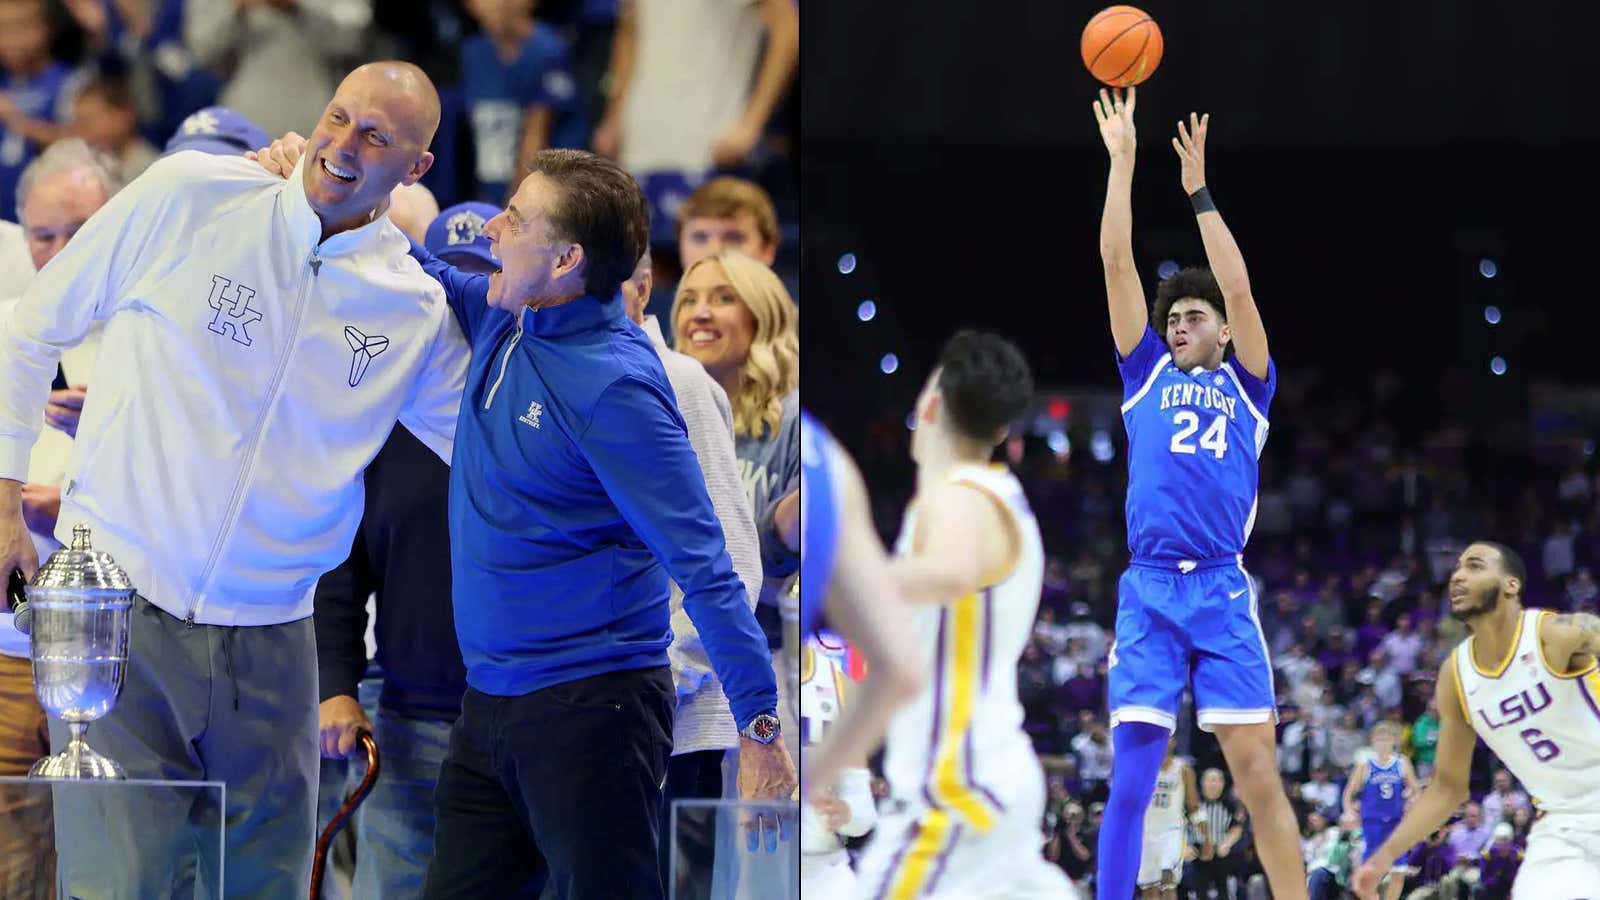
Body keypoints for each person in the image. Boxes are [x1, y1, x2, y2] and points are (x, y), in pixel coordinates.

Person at [0, 61, 468, 897]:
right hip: (123, 602)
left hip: (276, 634)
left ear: (417, 168)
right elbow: (30, 332)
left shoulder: (414, 305)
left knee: (265, 885)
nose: (341, 145)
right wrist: (1, 497)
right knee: (116, 884)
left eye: (375, 136)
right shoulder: (192, 195)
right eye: (336, 117)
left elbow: (480, 444)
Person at [387, 147, 793, 899]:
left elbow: (706, 567)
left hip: (593, 713)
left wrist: (760, 725)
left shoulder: (620, 390)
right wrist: (339, 186)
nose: (495, 230)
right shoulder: (508, 314)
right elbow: (419, 271)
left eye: (516, 219)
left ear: (569, 258)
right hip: (489, 707)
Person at [1092, 85, 1307, 900]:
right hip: (1149, 587)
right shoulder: (1144, 375)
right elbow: (1115, 260)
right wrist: (1123, 164)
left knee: (1258, 776)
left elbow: (1242, 290)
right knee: (1133, 778)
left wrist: (1199, 194)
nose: (1179, 324)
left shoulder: (1251, 386)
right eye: (1172, 316)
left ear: (1220, 329)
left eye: (1193, 315)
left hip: (1221, 585)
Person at [854, 330, 1073, 898]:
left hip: (957, 789)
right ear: (1002, 430)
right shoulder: (1002, 497)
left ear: (930, 403)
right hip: (993, 773)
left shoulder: (957, 495)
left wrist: (843, 578)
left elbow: (949, 571)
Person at [1353, 541, 1600, 899]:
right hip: (1564, 825)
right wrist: (1383, 857)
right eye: (1456, 569)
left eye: (1474, 566)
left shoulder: (1555, 633)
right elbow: (1447, 790)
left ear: (1510, 584)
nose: (1458, 576)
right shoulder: (1456, 675)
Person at [672, 249, 800, 751]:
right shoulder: (660, 409)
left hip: (770, 667)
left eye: (723, 298)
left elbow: (783, 573)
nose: (699, 313)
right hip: (679, 670)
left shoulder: (792, 419)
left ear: (761, 315)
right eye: (689, 300)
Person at [460, 0, 580, 204]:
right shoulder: (472, 52)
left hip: (545, 195)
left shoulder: (548, 49)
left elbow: (536, 135)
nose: (497, 5)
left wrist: (514, 205)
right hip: (491, 189)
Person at [0, 0, 72, 219]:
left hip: (49, 226)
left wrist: (20, 123)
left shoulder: (70, 82)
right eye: (3, 28)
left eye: (23, 26)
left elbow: (88, 145)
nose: (12, 39)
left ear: (47, 28)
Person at [1341, 721, 1417, 900]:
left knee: (1398, 872)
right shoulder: (1365, 765)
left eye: (1386, 739)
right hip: (1372, 823)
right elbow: (1348, 793)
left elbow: (1415, 790)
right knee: (1371, 872)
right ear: (1373, 741)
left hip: (1395, 822)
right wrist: (1349, 811)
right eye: (1379, 739)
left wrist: (1411, 803)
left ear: (1394, 741)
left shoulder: (1401, 763)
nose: (1383, 743)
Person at [1139, 737, 1198, 900]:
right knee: (1149, 887)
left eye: (1169, 737)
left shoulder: (1183, 769)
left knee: (1168, 878)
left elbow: (1193, 806)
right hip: (1147, 833)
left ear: (1174, 742)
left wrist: (1206, 837)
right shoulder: (1143, 767)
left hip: (1172, 832)